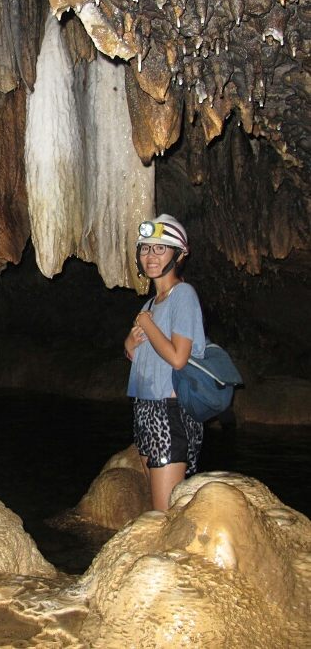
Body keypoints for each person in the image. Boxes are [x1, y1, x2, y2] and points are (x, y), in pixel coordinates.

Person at [123, 214, 206, 511]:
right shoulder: (150, 304)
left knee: (164, 514)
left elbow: (178, 357)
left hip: (170, 414)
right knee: (158, 506)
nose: (151, 256)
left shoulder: (183, 296)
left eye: (160, 248)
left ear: (179, 255)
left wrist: (147, 323)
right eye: (146, 249)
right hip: (145, 409)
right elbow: (144, 357)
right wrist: (130, 345)